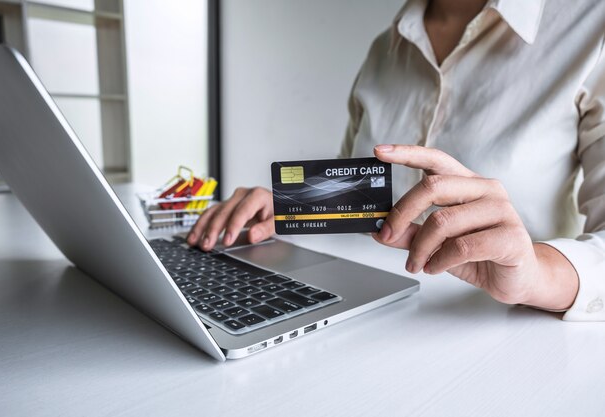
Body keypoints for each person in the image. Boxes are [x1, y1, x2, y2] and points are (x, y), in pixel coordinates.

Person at [188, 0, 605, 321]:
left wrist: (537, 274)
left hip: (496, 332)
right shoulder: (384, 49)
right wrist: (290, 203)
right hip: (354, 314)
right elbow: (360, 193)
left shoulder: (591, 27)